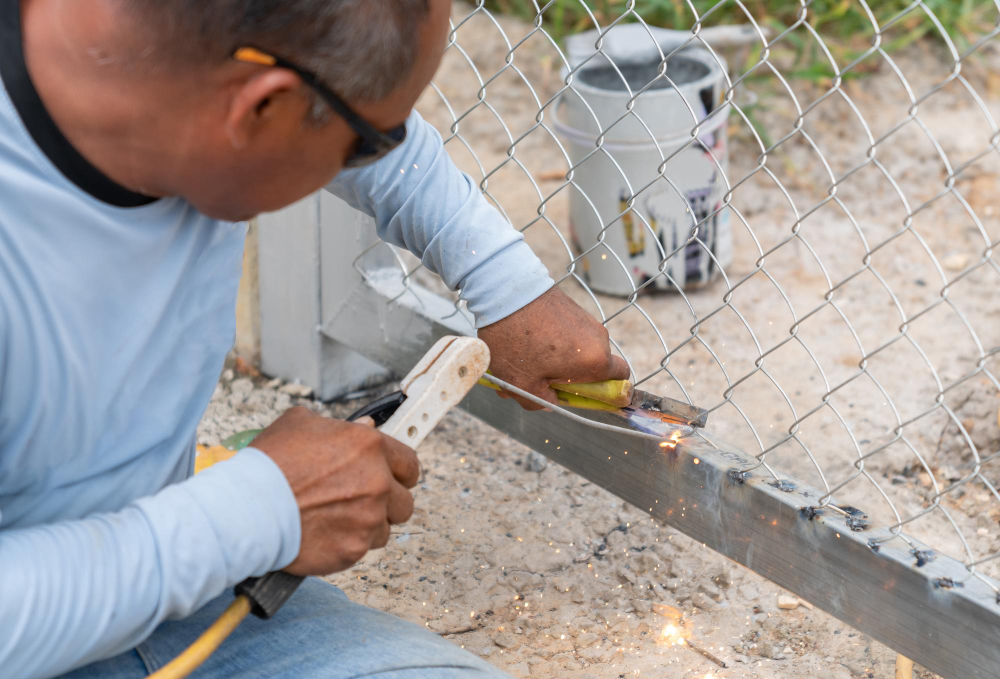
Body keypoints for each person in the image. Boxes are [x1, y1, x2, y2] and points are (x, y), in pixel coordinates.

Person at [0, 1, 630, 677]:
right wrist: (254, 512)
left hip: (168, 586)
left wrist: (505, 283)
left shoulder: (182, 71)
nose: (382, 152)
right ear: (260, 108)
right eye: (371, 140)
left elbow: (346, 107)